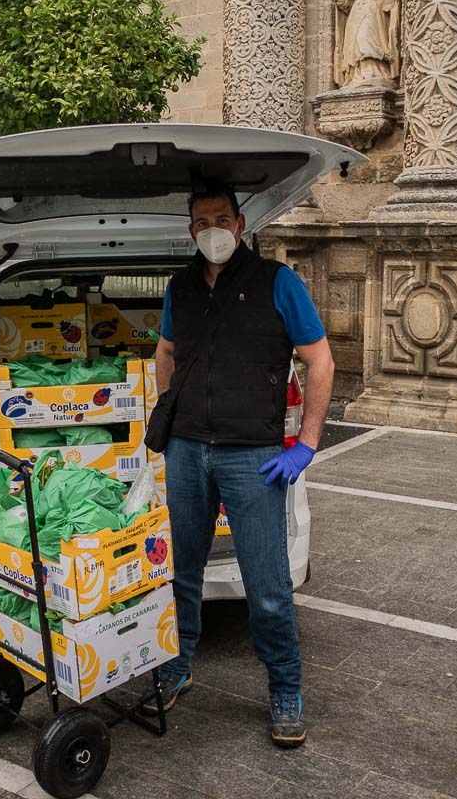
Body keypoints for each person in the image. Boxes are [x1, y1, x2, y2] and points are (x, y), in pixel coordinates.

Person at [145, 182, 334, 748]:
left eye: (221, 219)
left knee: (268, 583)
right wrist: (171, 415)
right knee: (180, 571)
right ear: (190, 230)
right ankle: (176, 667)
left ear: (240, 223)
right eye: (202, 221)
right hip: (187, 452)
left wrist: (306, 443)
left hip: (253, 456)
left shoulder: (279, 282)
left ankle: (284, 687)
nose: (213, 231)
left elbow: (320, 361)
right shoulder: (179, 287)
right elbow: (165, 351)